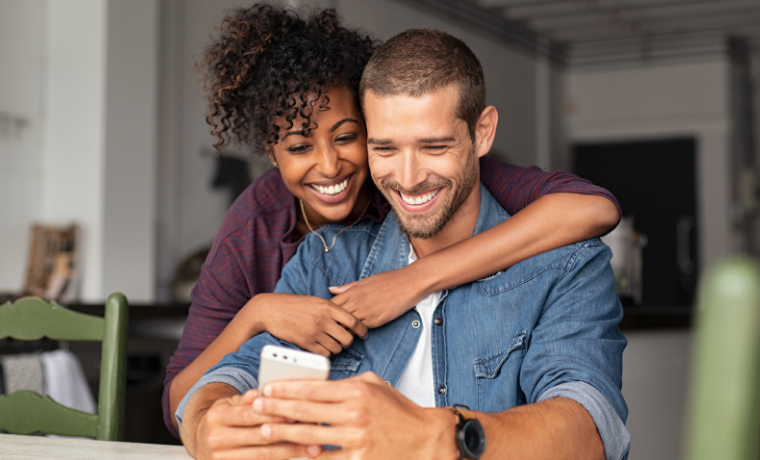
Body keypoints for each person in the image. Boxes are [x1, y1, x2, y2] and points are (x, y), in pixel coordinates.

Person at [163, 3, 622, 438]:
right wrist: (255, 318)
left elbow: (593, 209)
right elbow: (195, 396)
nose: (329, 166)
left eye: (346, 138)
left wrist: (411, 280)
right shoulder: (298, 245)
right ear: (272, 155)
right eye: (386, 148)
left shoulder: (523, 228)